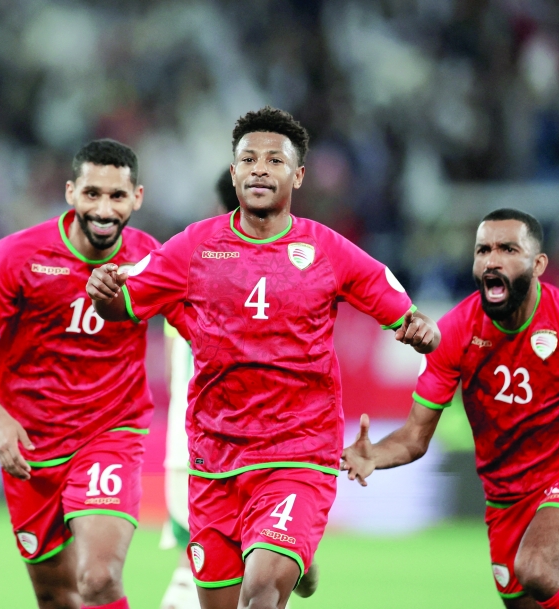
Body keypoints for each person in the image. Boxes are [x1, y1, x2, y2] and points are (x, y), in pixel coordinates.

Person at [87, 107, 440, 609]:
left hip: (297, 452)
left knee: (259, 592)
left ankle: (285, 546)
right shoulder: (193, 248)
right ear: (232, 173)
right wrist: (104, 293)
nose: (259, 168)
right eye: (248, 159)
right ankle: (293, 552)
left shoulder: (329, 251)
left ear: (297, 175)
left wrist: (418, 329)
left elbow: (403, 315)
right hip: (215, 460)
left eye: (275, 160)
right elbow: (123, 303)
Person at [341, 208, 559, 609]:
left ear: (538, 264)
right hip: (506, 493)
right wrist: (374, 454)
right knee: (525, 597)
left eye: (508, 249)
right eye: (483, 251)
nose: (492, 260)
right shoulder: (456, 333)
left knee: (539, 570)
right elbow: (413, 438)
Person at [0, 139, 178, 609]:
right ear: (71, 192)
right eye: (92, 193)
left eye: (117, 196)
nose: (103, 208)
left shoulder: (149, 259)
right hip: (31, 447)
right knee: (56, 597)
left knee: (98, 578)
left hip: (109, 433)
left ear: (137, 198)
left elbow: (198, 326)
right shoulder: (16, 256)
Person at [158, 170, 240, 609]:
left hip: (186, 446)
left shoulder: (187, 259)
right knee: (220, 576)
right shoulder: (273, 273)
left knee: (199, 572)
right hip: (233, 448)